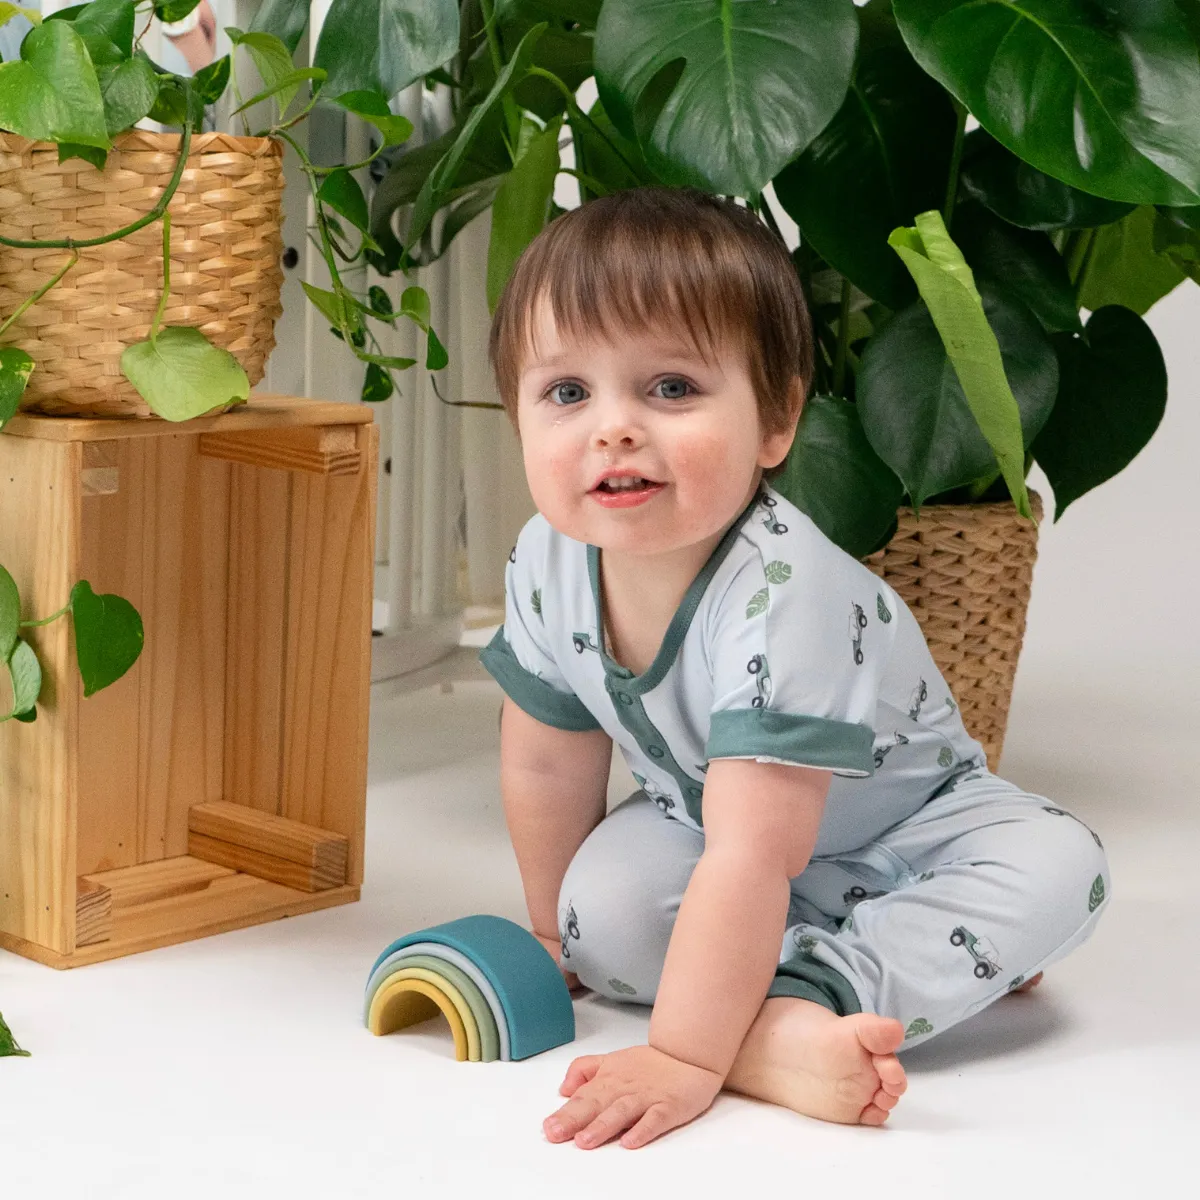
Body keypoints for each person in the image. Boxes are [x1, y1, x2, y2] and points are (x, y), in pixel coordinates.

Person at [479, 187, 1109, 1151]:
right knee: (599, 915)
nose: (613, 428)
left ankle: (807, 998)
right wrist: (549, 936)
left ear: (775, 423)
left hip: (915, 824)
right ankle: (771, 1037)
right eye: (568, 393)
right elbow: (545, 758)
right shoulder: (547, 558)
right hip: (715, 825)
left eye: (671, 389)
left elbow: (757, 853)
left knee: (1061, 868)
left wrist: (685, 1057)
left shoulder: (785, 596)